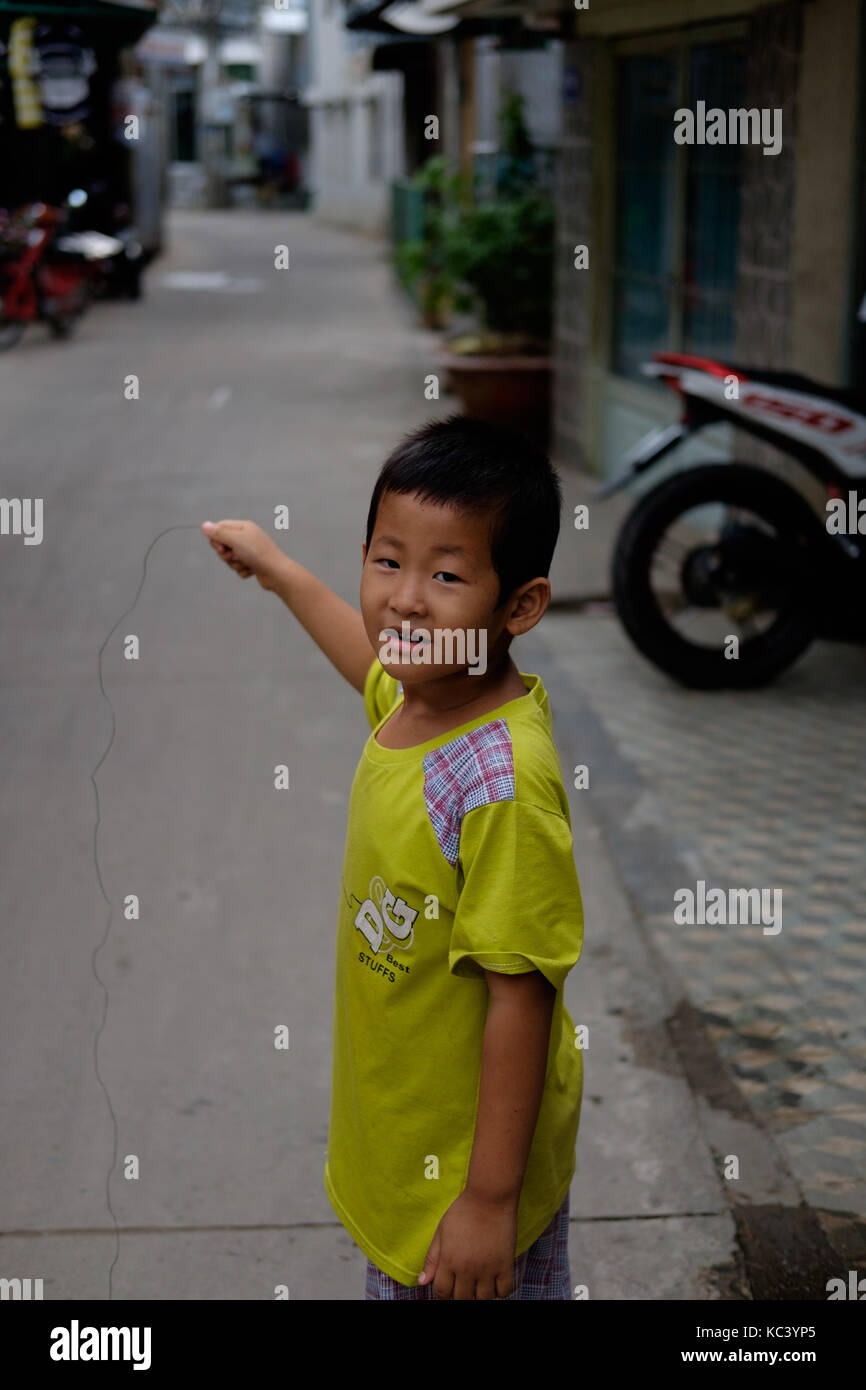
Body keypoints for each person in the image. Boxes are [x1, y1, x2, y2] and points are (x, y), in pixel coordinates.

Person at [200, 415, 585, 1300]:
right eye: (386, 560)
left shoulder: (499, 780)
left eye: (446, 575)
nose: (405, 600)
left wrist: (488, 1201)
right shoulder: (422, 687)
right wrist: (281, 571)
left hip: (465, 1176)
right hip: (406, 1136)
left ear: (520, 605)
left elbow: (520, 995)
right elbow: (363, 659)